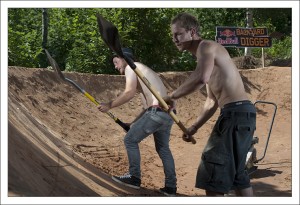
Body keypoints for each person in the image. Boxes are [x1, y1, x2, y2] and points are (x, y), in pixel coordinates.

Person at [164, 13, 256, 196]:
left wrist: (173, 95)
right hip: (242, 114)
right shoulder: (206, 58)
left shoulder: (206, 46)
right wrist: (194, 127)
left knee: (212, 172)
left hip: (234, 114)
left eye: (178, 34)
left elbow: (201, 78)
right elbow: (211, 101)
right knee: (238, 176)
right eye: (173, 35)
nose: (175, 39)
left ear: (192, 32)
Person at [98, 48, 177, 196]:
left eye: (116, 62)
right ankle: (171, 187)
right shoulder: (144, 72)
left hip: (157, 112)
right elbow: (147, 108)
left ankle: (134, 177)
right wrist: (132, 123)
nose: (115, 67)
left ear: (124, 58)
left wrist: (109, 104)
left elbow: (129, 92)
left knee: (130, 140)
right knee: (163, 149)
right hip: (168, 113)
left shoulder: (131, 67)